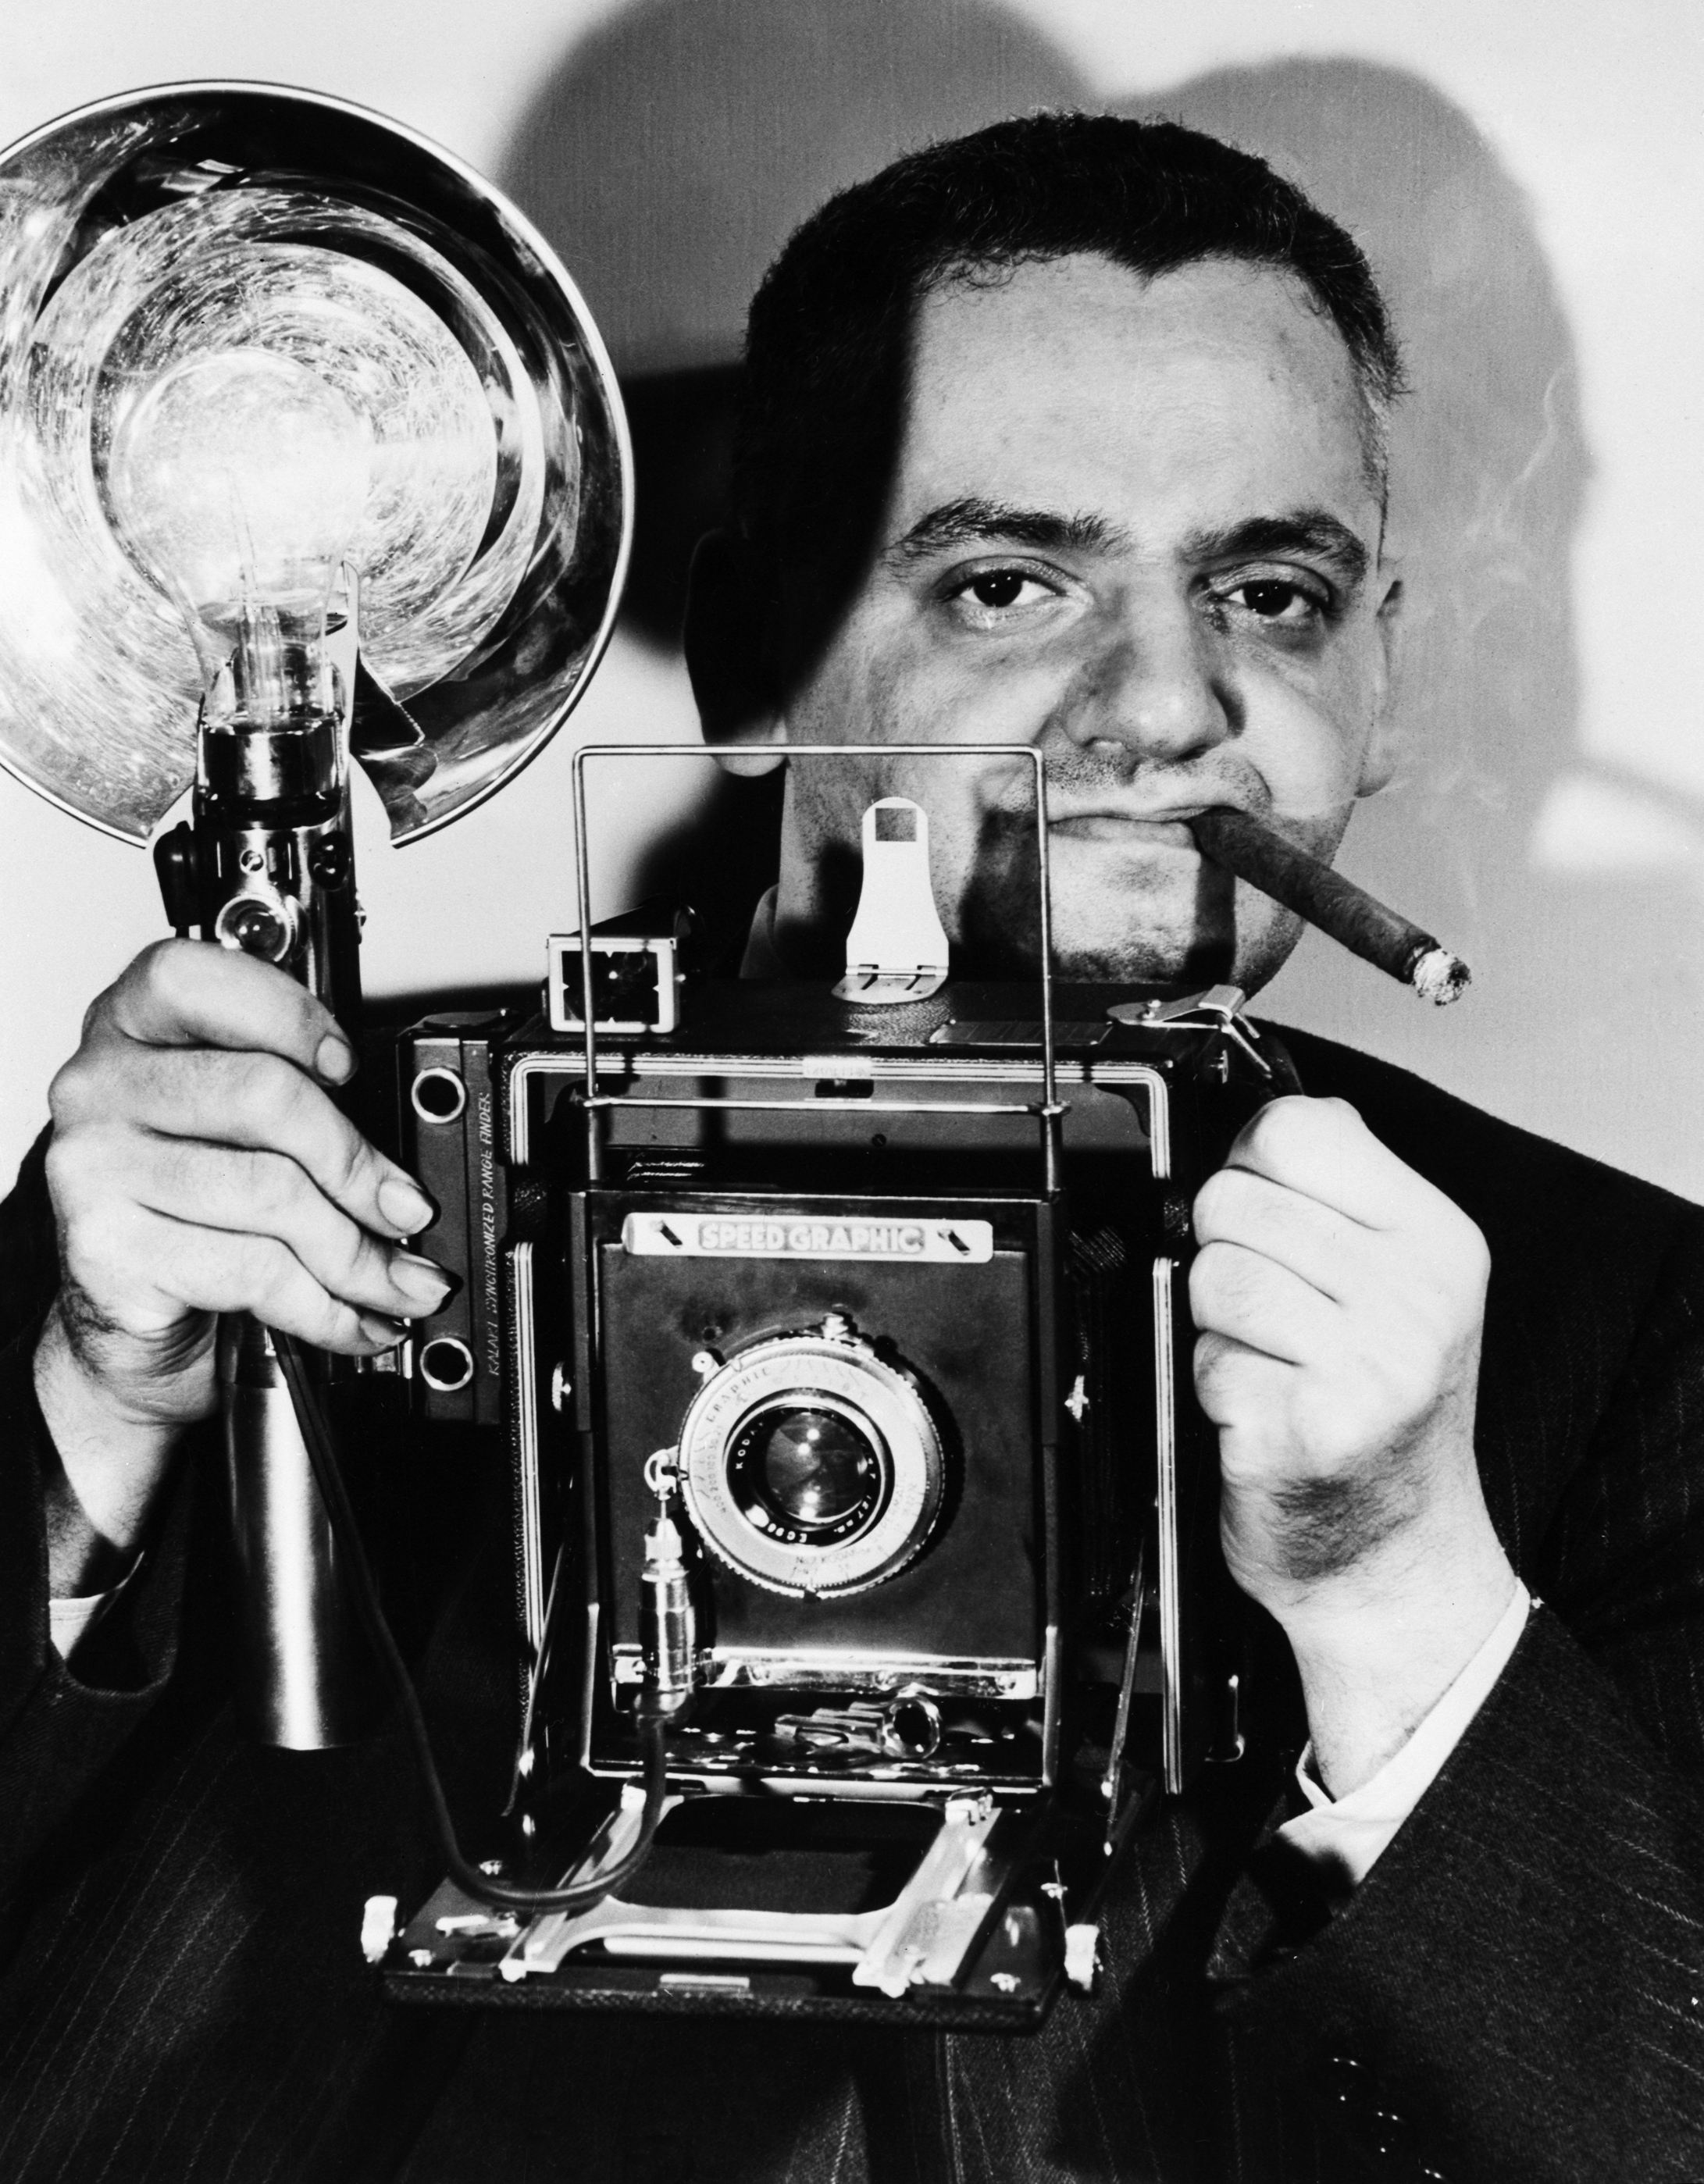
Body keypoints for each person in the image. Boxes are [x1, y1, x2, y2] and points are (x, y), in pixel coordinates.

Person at [2, 112, 1701, 2183]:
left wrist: (1402, 1599)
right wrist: (93, 1423)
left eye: (1271, 592)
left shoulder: (1620, 1330)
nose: (1172, 706)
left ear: (1382, 669)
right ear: (745, 653)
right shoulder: (306, 1168)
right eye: (1009, 583)